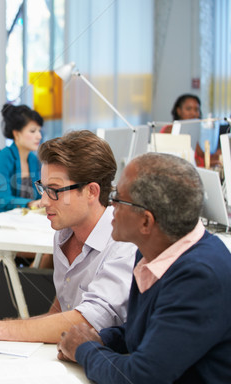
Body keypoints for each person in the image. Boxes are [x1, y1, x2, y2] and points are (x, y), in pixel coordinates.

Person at [0, 130, 136, 343]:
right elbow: (59, 314)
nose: (44, 201)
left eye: (54, 190)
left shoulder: (124, 244)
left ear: (91, 192)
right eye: (43, 188)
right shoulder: (64, 234)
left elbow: (88, 323)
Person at [58, 152, 231, 383]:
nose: (111, 204)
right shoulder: (156, 250)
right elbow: (148, 330)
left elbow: (141, 377)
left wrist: (85, 349)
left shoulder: (199, 276)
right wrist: (101, 339)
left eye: (118, 198)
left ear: (146, 222)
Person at [0, 103, 43, 216]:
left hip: (23, 219)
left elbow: (39, 194)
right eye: (33, 131)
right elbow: (3, 200)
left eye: (39, 131)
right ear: (16, 134)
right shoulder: (2, 159)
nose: (39, 136)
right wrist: (30, 204)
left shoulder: (34, 160)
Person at [161, 93, 221, 167]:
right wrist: (206, 164)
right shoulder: (170, 129)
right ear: (179, 111)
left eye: (196, 109)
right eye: (188, 109)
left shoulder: (192, 129)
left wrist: (215, 155)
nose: (194, 113)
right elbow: (179, 161)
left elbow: (200, 154)